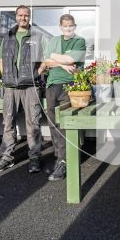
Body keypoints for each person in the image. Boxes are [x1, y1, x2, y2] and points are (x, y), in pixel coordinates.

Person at [0, 5, 45, 174]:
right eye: (20, 15)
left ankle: (35, 157)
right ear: (15, 16)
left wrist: (37, 73)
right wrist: (2, 77)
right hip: (9, 86)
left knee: (33, 123)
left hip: (31, 86)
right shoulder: (7, 36)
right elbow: (0, 60)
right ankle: (7, 158)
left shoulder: (38, 36)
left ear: (30, 17)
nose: (23, 18)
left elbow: (46, 58)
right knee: (8, 123)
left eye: (26, 15)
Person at [43, 14, 86, 181]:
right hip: (52, 84)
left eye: (71, 26)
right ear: (60, 26)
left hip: (69, 86)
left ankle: (64, 161)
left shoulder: (79, 41)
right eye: (65, 26)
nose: (68, 29)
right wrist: (61, 63)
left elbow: (71, 59)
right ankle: (58, 158)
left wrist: (54, 56)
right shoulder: (54, 40)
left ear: (75, 26)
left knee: (65, 124)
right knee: (53, 123)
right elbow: (46, 61)